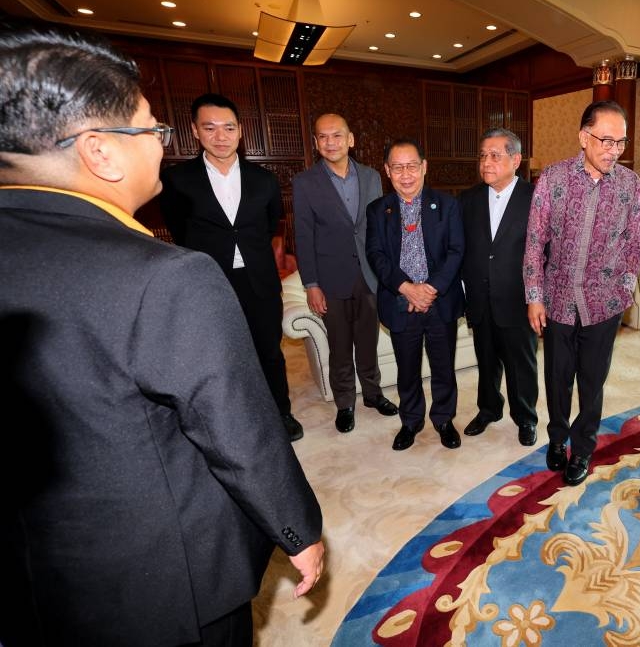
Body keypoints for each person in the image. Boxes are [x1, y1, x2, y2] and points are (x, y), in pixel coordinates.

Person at [0, 24, 324, 647]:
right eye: (152, 127)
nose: (160, 142)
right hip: (164, 580)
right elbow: (235, 429)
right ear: (101, 150)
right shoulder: (166, 277)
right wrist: (297, 528)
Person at [160, 93, 304, 441]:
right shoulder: (179, 180)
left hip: (259, 280)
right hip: (209, 281)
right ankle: (233, 418)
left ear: (240, 131)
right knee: (220, 356)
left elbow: (271, 225)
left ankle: (280, 411)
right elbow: (178, 228)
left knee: (269, 351)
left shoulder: (264, 179)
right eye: (210, 128)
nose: (220, 136)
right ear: (195, 131)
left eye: (228, 128)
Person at [523, 100, 640, 486]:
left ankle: (584, 448)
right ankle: (557, 439)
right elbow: (534, 240)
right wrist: (534, 294)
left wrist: (624, 291)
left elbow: (634, 244)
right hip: (557, 299)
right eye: (605, 140)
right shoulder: (554, 179)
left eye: (620, 142)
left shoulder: (630, 185)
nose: (613, 150)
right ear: (583, 137)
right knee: (557, 379)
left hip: (603, 303)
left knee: (592, 383)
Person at [292, 113, 398, 433]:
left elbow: (378, 228)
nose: (330, 142)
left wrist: (386, 273)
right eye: (323, 137)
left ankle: (372, 394)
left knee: (368, 341)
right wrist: (311, 284)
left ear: (350, 139)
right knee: (340, 346)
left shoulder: (370, 177)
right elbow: (303, 236)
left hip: (368, 275)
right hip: (330, 277)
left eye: (337, 135)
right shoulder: (305, 182)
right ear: (315, 143)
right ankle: (345, 403)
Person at [366, 139, 465, 451]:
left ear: (424, 167)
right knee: (406, 368)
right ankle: (411, 421)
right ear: (387, 171)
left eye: (412, 166)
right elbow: (376, 254)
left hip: (439, 300)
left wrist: (430, 289)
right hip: (400, 302)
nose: (405, 173)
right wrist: (408, 288)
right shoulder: (378, 210)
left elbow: (456, 250)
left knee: (443, 367)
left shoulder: (447, 205)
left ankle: (444, 419)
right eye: (397, 167)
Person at [460, 128, 538, 446]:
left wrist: (538, 298)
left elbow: (545, 252)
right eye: (483, 155)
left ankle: (526, 418)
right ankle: (489, 409)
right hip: (480, 299)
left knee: (522, 365)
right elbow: (462, 248)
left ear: (516, 160)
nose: (486, 162)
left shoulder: (535, 198)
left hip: (518, 300)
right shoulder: (468, 199)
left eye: (495, 155)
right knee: (487, 361)